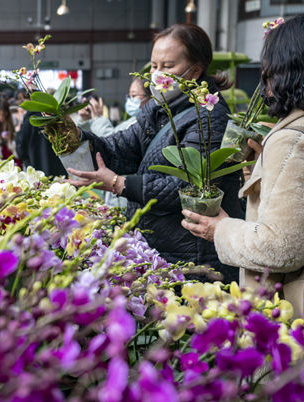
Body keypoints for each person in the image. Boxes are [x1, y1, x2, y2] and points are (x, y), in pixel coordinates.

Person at [181, 12, 304, 312]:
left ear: (286, 68)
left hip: (302, 313)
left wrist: (221, 230)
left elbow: (280, 248)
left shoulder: (293, 142)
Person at [64, 23, 244, 281]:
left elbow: (182, 187)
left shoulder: (210, 119)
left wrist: (118, 184)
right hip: (162, 250)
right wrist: (74, 134)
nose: (157, 74)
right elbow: (117, 149)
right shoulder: (158, 111)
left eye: (168, 66)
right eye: (154, 65)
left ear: (195, 71)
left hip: (194, 258)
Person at [77, 79, 152, 209]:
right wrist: (86, 121)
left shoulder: (143, 124)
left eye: (134, 96)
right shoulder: (136, 120)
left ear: (151, 98)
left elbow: (111, 146)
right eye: (129, 96)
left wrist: (98, 119)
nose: (129, 100)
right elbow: (98, 143)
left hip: (127, 196)